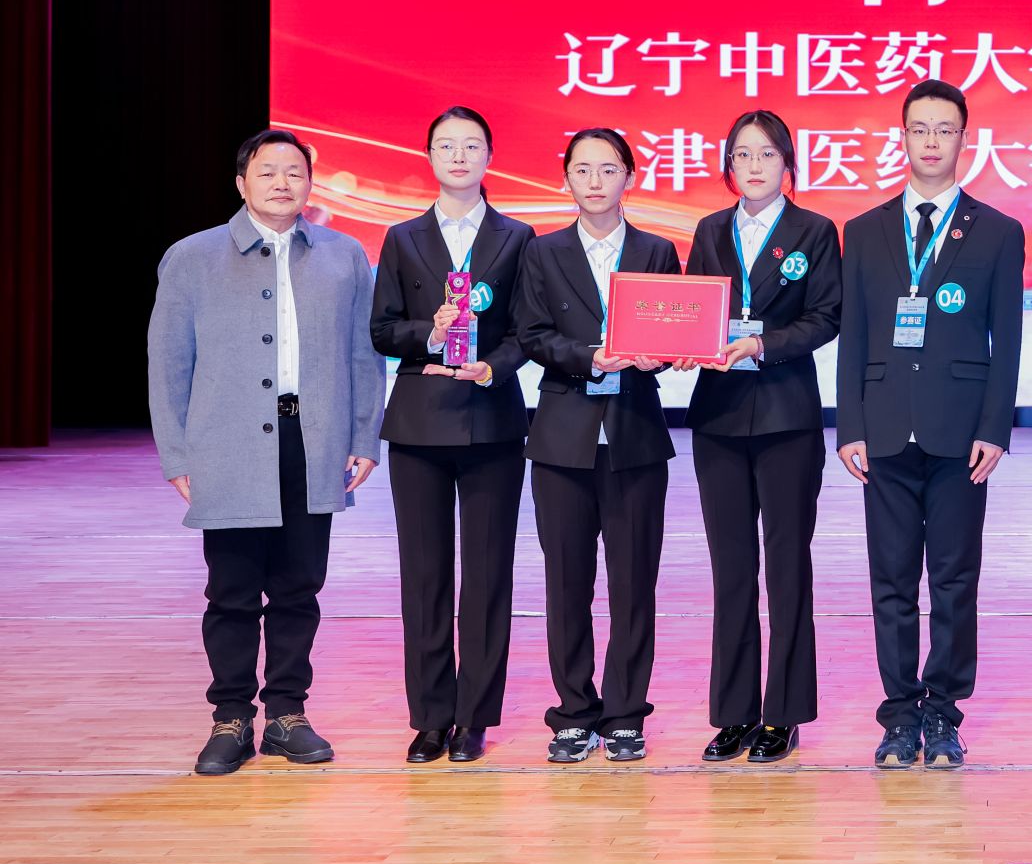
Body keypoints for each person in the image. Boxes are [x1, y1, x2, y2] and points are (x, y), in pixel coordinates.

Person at [147, 129, 384, 775]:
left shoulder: (343, 255)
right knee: (230, 590)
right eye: (268, 171)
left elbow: (363, 355)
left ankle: (287, 714)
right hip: (226, 443)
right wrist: (177, 453)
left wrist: (364, 435)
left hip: (312, 439)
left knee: (298, 587)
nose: (282, 182)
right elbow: (168, 363)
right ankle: (230, 717)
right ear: (241, 182)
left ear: (310, 183)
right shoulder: (193, 256)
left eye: (294, 172)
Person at [835, 79, 1025, 770]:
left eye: (945, 129)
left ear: (964, 139)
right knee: (890, 582)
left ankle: (943, 712)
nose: (932, 141)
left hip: (960, 434)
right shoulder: (865, 231)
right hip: (884, 429)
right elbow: (854, 334)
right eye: (920, 129)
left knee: (953, 581)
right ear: (904, 137)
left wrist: (995, 427)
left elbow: (1008, 338)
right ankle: (898, 715)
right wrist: (849, 425)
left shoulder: (998, 231)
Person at [368, 106, 535, 765]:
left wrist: (495, 365)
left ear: (490, 156)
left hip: (492, 420)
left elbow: (527, 331)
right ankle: (431, 716)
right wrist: (430, 333)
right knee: (425, 575)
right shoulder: (402, 237)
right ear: (429, 155)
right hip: (419, 423)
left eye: (471, 145)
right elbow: (383, 329)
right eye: (446, 145)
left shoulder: (517, 237)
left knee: (488, 575)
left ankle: (475, 716)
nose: (459, 156)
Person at [679, 110, 842, 765]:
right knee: (731, 568)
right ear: (728, 165)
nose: (754, 165)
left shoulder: (814, 230)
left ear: (787, 164)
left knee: (786, 565)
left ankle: (784, 713)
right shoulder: (709, 230)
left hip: (786, 415)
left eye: (767, 154)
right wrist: (682, 343)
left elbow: (826, 316)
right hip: (718, 417)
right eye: (742, 154)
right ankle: (734, 712)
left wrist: (762, 344)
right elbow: (694, 308)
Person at [513, 127, 681, 764]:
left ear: (629, 178)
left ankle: (626, 713)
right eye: (582, 169)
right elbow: (532, 334)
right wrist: (591, 358)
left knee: (634, 583)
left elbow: (673, 330)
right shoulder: (542, 251)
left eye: (608, 169)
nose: (594, 181)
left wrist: (662, 353)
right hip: (562, 438)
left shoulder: (657, 250)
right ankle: (574, 712)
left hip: (636, 436)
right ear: (565, 180)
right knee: (567, 584)